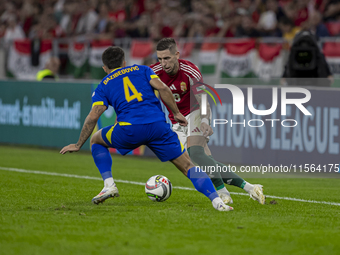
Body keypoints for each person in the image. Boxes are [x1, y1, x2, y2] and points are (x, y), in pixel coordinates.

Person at [60, 46, 233, 212]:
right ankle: (217, 202)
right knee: (188, 166)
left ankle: (109, 185)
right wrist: (176, 113)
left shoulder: (103, 85)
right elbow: (163, 88)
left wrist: (78, 144)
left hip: (129, 130)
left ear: (105, 68)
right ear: (125, 62)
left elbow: (94, 115)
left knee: (96, 139)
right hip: (158, 127)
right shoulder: (142, 69)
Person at [150, 38, 265, 205]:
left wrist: (205, 120)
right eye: (159, 59)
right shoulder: (153, 72)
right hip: (176, 120)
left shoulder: (190, 71)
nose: (163, 63)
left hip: (194, 112)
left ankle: (225, 194)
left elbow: (203, 99)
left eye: (167, 58)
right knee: (202, 161)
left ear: (177, 54)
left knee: (196, 153)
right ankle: (248, 188)